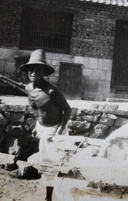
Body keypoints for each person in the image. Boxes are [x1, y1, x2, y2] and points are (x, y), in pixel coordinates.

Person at [20, 49, 72, 201]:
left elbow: (67, 110)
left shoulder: (51, 91)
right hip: (41, 128)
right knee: (44, 162)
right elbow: (35, 106)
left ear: (43, 71)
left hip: (55, 130)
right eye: (31, 69)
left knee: (51, 164)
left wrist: (60, 131)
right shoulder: (29, 88)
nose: (34, 72)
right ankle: (49, 195)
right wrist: (37, 126)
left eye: (38, 69)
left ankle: (50, 197)